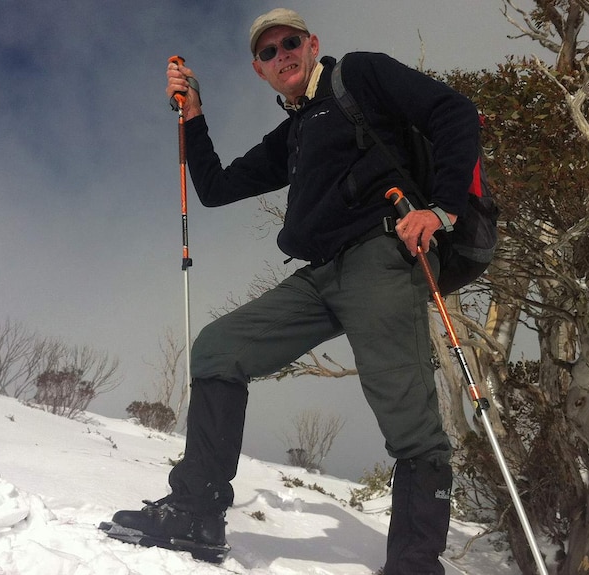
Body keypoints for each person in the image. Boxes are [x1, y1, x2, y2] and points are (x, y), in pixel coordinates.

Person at [109, 8, 481, 574]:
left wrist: (443, 207)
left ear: (312, 45)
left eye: (289, 43)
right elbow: (216, 187)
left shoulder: (358, 77)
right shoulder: (297, 132)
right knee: (218, 348)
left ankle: (414, 562)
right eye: (267, 51)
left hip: (382, 256)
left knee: (409, 422)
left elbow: (454, 111)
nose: (280, 54)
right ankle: (196, 513)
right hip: (319, 275)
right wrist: (194, 116)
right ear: (258, 70)